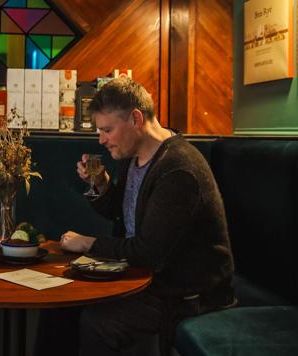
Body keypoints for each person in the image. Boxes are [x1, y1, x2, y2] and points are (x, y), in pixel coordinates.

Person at [60, 77, 236, 356]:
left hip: (187, 294)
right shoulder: (136, 156)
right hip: (147, 278)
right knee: (63, 304)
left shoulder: (179, 169)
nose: (101, 139)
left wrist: (87, 244)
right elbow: (120, 213)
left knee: (97, 323)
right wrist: (102, 184)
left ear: (136, 118)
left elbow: (148, 251)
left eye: (107, 130)